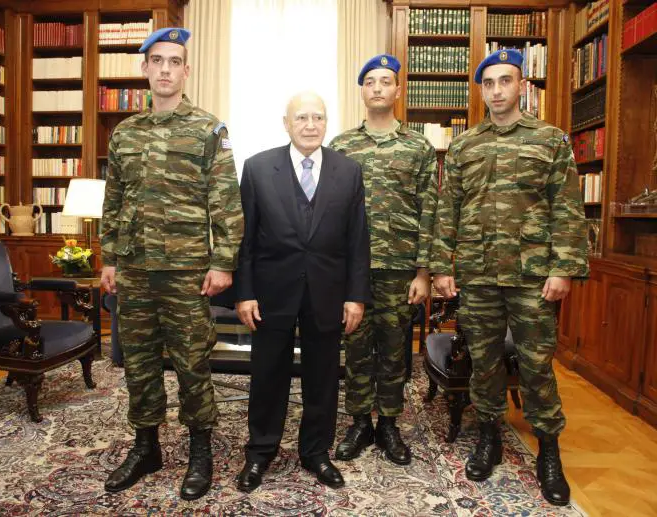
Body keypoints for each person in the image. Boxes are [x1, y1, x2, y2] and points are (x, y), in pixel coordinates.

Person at [431, 49, 589, 506]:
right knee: (484, 362)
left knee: (536, 365)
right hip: (478, 273)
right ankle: (489, 437)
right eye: (489, 83)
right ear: (481, 90)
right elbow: (448, 208)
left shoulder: (550, 140)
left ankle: (549, 451)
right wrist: (441, 265)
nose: (497, 90)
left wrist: (563, 267)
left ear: (522, 85)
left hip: (532, 276)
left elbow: (567, 207)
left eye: (506, 80)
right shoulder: (464, 146)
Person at [99, 27, 244, 501]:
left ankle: (200, 449)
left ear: (186, 70)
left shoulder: (208, 129)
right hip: (135, 268)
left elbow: (226, 202)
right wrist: (109, 258)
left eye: (174, 61)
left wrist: (223, 262)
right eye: (157, 61)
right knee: (138, 362)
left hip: (185, 271)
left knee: (192, 362)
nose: (165, 69)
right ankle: (146, 447)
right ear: (145, 69)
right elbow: (114, 199)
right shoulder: (125, 133)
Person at [234, 91, 371, 492]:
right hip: (270, 293)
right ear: (286, 123)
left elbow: (358, 240)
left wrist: (355, 296)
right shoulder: (258, 168)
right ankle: (260, 452)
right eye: (302, 118)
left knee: (323, 378)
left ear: (327, 122)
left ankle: (316, 452)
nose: (311, 125)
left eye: (318, 117)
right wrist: (244, 292)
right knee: (267, 376)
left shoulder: (349, 171)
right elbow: (245, 240)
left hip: (328, 293)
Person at [329, 54, 437, 465]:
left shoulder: (418, 147)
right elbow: (329, 212)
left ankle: (389, 424)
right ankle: (359, 423)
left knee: (394, 352)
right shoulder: (341, 146)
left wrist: (424, 272)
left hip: (399, 269)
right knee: (355, 349)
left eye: (385, 81)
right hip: (351, 270)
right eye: (370, 81)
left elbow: (429, 210)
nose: (377, 87)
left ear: (397, 90)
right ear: (362, 90)